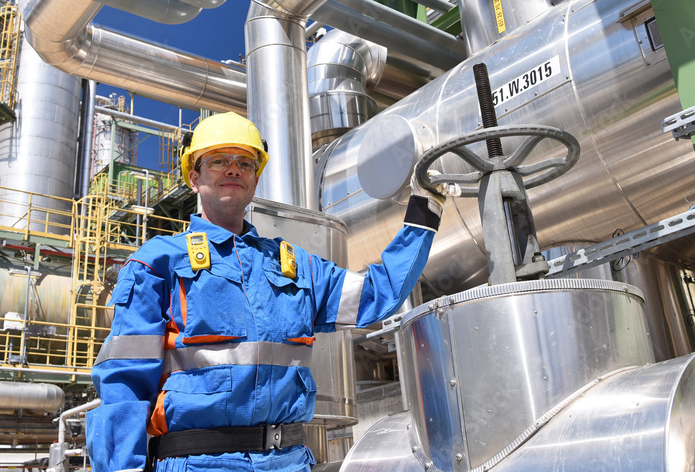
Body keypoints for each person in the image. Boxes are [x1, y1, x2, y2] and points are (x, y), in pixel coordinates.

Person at [87, 112, 444, 472]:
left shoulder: (295, 266)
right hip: (199, 463)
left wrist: (426, 208)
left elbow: (375, 294)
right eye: (218, 161)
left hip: (288, 461)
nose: (233, 169)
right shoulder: (157, 263)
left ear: (255, 178)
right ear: (194, 177)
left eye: (245, 162)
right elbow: (124, 382)